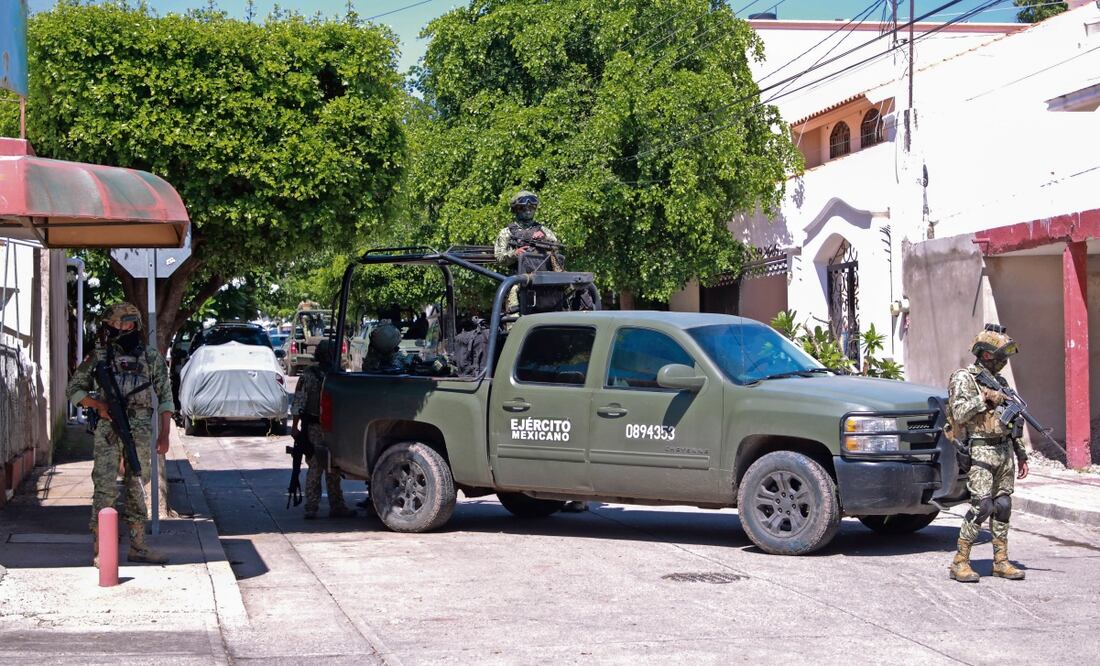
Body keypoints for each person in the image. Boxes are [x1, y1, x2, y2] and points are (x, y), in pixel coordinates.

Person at [67, 303, 173, 567]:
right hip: (109, 430)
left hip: (139, 429)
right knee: (104, 487)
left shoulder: (150, 357)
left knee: (137, 486)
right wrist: (98, 406)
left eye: (118, 324)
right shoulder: (99, 357)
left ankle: (138, 546)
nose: (114, 329)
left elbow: (166, 398)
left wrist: (165, 435)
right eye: (111, 325)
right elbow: (74, 389)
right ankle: (102, 548)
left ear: (131, 325)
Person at [946, 324, 1029, 583]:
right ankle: (960, 561)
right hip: (980, 449)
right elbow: (959, 412)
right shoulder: (964, 378)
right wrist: (986, 399)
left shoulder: (1001, 383)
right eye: (1000, 356)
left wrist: (1021, 452)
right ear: (985, 354)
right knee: (981, 507)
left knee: (1003, 506)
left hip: (1004, 450)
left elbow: (1012, 421)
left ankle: (1001, 561)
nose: (1004, 362)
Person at [291, 339, 355, 519]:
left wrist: (295, 427)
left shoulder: (333, 375)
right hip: (317, 427)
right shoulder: (317, 375)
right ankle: (314, 506)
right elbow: (299, 402)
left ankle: (331, 506)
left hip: (328, 427)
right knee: (318, 466)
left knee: (330, 467)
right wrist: (295, 427)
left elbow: (298, 402)